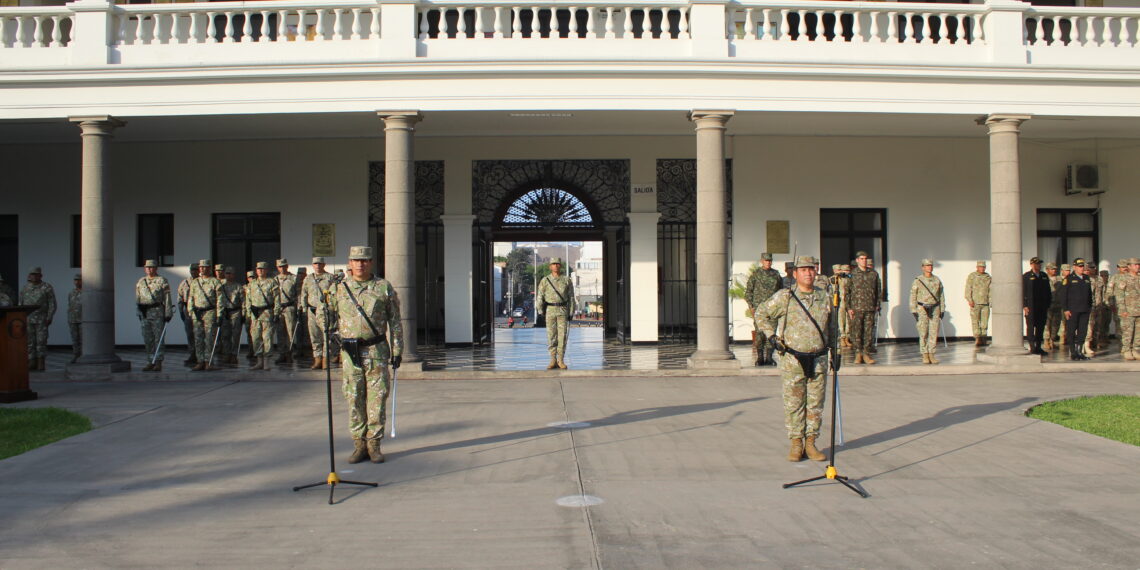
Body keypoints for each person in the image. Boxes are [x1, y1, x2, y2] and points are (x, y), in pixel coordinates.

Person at [757, 255, 833, 462]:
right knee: (794, 403)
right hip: (793, 359)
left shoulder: (824, 297)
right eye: (803, 270)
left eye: (811, 269)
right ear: (795, 273)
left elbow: (833, 327)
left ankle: (811, 442)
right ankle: (796, 442)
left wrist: (836, 353)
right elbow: (761, 314)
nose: (808, 273)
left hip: (818, 359)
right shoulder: (785, 297)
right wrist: (771, 336)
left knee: (816, 403)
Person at [332, 246, 403, 464]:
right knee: (353, 398)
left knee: (377, 399)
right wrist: (334, 337)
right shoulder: (340, 289)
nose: (360, 264)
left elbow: (395, 321)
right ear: (349, 263)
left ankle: (374, 444)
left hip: (377, 351)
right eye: (356, 260)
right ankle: (358, 443)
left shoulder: (383, 287)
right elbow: (326, 316)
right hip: (350, 353)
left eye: (364, 260)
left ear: (371, 262)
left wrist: (398, 349)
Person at [536, 257, 575, 370]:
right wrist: (539, 310)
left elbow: (571, 297)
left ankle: (561, 359)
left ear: (560, 266)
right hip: (550, 310)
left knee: (562, 336)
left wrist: (571, 311)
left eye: (557, 264)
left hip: (562, 310)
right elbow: (540, 296)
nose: (555, 266)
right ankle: (553, 359)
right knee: (551, 336)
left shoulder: (567, 280)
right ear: (550, 266)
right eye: (553, 264)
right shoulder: (545, 280)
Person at [744, 252, 783, 366]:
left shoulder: (776, 274)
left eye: (770, 260)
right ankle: (760, 357)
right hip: (759, 309)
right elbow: (748, 292)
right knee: (760, 333)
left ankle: (769, 357)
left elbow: (780, 292)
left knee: (771, 332)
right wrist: (751, 306)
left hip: (773, 309)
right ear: (762, 261)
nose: (768, 262)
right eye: (766, 260)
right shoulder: (756, 274)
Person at [300, 256, 337, 370]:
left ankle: (326, 359)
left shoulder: (330, 278)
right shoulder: (308, 279)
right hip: (312, 310)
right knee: (314, 336)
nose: (318, 266)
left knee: (326, 336)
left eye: (320, 264)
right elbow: (304, 294)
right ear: (312, 265)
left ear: (324, 265)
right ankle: (317, 359)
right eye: (315, 264)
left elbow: (335, 294)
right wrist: (304, 309)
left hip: (325, 310)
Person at [135, 260, 172, 372]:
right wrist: (139, 312)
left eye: (152, 267)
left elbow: (167, 298)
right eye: (147, 267)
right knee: (148, 338)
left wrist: (168, 313)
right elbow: (137, 298)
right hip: (145, 313)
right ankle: (150, 361)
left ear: (156, 268)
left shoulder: (162, 281)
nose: (149, 269)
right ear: (144, 269)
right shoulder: (141, 281)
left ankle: (158, 361)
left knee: (158, 338)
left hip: (157, 312)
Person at [18, 266, 56, 371]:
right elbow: (20, 303)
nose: (34, 276)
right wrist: (20, 317)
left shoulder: (46, 287)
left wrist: (49, 316)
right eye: (32, 274)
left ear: (40, 275)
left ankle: (40, 362)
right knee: (30, 341)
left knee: (41, 341)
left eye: (36, 274)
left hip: (41, 319)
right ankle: (31, 361)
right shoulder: (25, 288)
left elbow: (52, 304)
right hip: (28, 319)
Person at [188, 259, 223, 371]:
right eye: (201, 267)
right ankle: (200, 361)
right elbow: (191, 298)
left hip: (210, 312)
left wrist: (219, 314)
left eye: (205, 267)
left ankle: (209, 361)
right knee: (198, 338)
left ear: (209, 268)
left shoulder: (215, 282)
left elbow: (220, 300)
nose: (202, 269)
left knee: (209, 338)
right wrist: (190, 311)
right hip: (197, 312)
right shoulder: (195, 282)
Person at [847, 251, 881, 364]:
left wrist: (877, 305)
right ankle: (858, 353)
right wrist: (849, 307)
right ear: (857, 260)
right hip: (856, 307)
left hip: (870, 307)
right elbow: (847, 291)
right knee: (856, 331)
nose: (864, 260)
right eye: (861, 258)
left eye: (865, 258)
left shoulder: (874, 274)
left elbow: (878, 291)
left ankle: (866, 353)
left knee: (868, 331)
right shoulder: (852, 274)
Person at [910, 259, 946, 364]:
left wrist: (942, 309)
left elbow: (941, 296)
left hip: (935, 308)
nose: (929, 267)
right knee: (923, 332)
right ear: (923, 267)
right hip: (922, 308)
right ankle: (924, 354)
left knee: (934, 332)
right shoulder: (918, 280)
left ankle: (932, 354)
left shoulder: (937, 280)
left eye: (931, 265)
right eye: (927, 266)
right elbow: (913, 295)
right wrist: (913, 310)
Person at [245, 261, 279, 370]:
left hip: (267, 312)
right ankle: (259, 361)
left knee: (267, 338)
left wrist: (276, 312)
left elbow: (277, 299)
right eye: (258, 269)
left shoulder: (272, 282)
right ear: (256, 270)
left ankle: (266, 362)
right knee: (255, 337)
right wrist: (249, 313)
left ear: (266, 270)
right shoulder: (252, 284)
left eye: (263, 269)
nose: (260, 271)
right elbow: (248, 300)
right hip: (255, 314)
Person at [1061, 258, 1093, 360]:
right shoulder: (1068, 278)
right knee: (1071, 331)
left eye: (1082, 266)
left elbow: (1089, 295)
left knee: (1082, 331)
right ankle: (1073, 352)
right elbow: (1063, 295)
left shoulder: (1087, 278)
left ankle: (1080, 351)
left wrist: (1089, 307)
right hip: (1073, 310)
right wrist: (1066, 309)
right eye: (1079, 266)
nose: (1081, 268)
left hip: (1084, 309)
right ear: (1074, 267)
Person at [1113, 257, 1140, 360]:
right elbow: (1119, 295)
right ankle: (1127, 350)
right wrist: (1122, 309)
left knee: (1138, 333)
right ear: (1129, 266)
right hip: (1128, 310)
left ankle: (1136, 350)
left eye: (1138, 264)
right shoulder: (1124, 278)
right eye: (1135, 265)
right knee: (1128, 332)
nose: (1138, 266)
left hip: (1138, 310)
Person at [274, 258, 299, 365]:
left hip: (289, 308)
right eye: (280, 266)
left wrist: (297, 308)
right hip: (278, 309)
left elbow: (298, 294)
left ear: (287, 266)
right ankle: (281, 354)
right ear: (277, 267)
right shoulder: (275, 279)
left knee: (290, 332)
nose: (282, 268)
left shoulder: (293, 278)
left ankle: (289, 354)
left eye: (284, 266)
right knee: (280, 332)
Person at [219, 266, 245, 366]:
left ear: (234, 275)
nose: (229, 275)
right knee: (225, 335)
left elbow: (243, 301)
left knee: (235, 335)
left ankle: (234, 355)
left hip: (235, 312)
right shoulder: (221, 286)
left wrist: (243, 314)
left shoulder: (238, 286)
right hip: (225, 312)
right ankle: (227, 354)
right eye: (227, 273)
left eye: (231, 273)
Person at [964, 260, 992, 347]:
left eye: (983, 267)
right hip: (975, 303)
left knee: (984, 322)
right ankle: (977, 338)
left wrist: (991, 301)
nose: (982, 268)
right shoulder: (972, 276)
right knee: (975, 321)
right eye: (980, 267)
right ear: (977, 267)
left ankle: (984, 338)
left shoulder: (988, 277)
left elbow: (991, 290)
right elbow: (968, 288)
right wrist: (969, 300)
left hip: (985, 303)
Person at [177, 264, 200, 367]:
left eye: (196, 270)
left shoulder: (202, 281)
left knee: (200, 334)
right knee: (190, 334)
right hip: (188, 311)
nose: (194, 271)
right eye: (192, 270)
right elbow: (180, 297)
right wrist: (181, 311)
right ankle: (192, 354)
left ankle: (201, 356)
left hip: (200, 310)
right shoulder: (185, 283)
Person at [1107, 259, 1130, 345]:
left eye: (1126, 267)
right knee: (1120, 326)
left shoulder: (1131, 277)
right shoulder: (1114, 278)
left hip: (1131, 307)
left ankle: (1131, 345)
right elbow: (1109, 292)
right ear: (1118, 268)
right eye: (1122, 267)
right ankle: (1122, 345)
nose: (1124, 268)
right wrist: (1111, 304)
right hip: (1119, 306)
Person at [1044, 262, 1063, 351]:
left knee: (1056, 324)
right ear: (1047, 270)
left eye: (1055, 269)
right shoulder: (1044, 278)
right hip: (1047, 305)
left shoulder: (1060, 279)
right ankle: (1046, 341)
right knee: (1047, 324)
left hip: (1058, 304)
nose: (1054, 270)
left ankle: (1052, 340)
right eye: (1052, 269)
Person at [67, 274, 82, 363]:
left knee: (83, 339)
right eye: (75, 280)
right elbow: (70, 305)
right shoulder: (71, 293)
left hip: (82, 319)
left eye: (79, 280)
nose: (77, 282)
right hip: (72, 319)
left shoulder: (86, 292)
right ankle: (76, 355)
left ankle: (84, 356)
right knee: (75, 339)